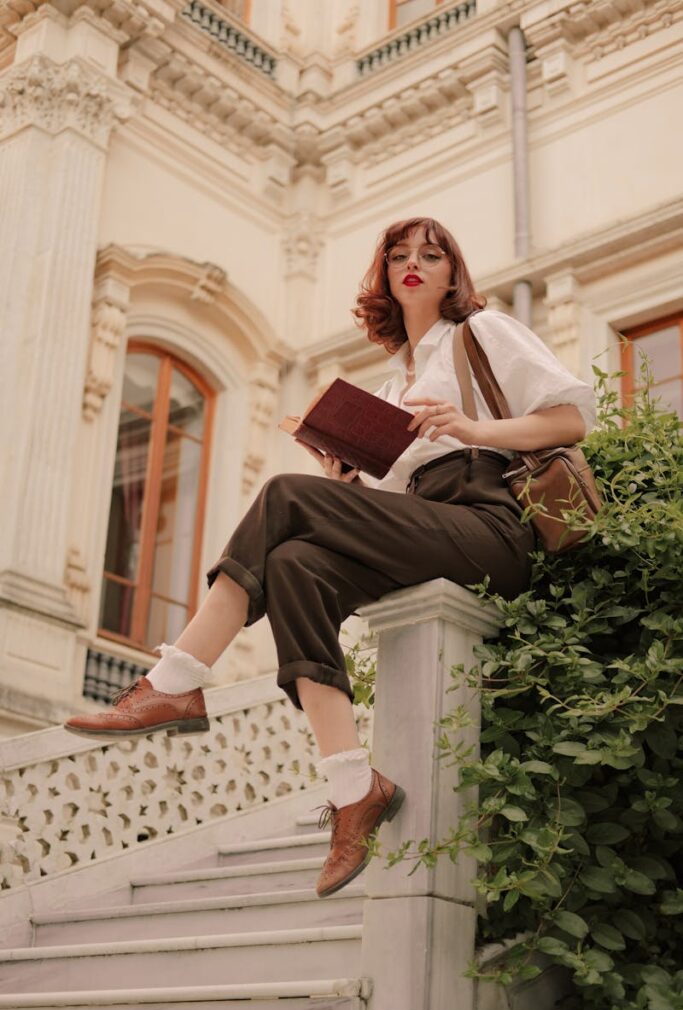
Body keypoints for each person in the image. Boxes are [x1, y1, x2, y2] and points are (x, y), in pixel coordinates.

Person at [64, 216, 597, 898]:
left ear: (451, 273)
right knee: (294, 565)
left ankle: (175, 681)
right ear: (382, 277)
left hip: (489, 522)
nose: (412, 264)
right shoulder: (391, 380)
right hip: (426, 520)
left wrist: (472, 426)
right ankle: (353, 786)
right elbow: (391, 497)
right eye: (397, 255)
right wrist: (343, 475)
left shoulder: (479, 333)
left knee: (286, 497)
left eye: (430, 255)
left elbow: (568, 421)